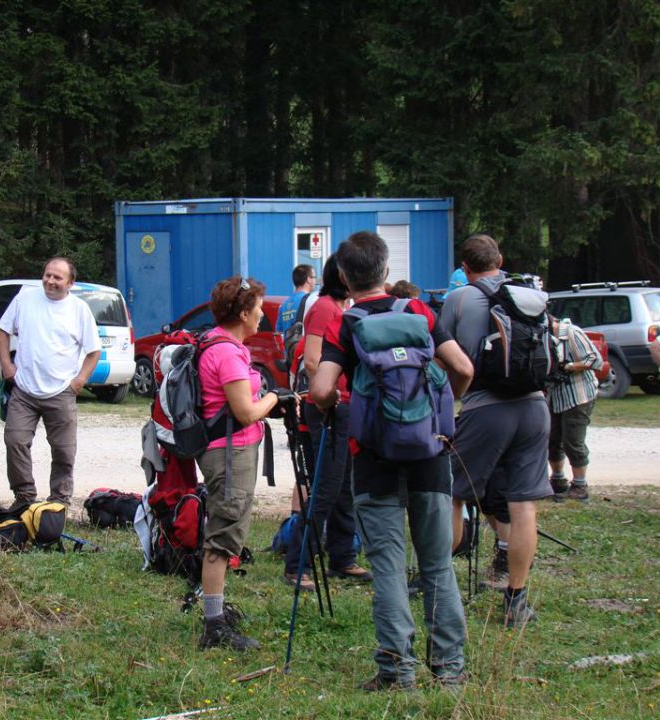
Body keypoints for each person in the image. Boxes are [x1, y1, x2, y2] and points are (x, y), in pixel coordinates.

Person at [311, 232, 473, 691]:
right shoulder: (420, 313)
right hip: (430, 453)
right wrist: (440, 410)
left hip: (375, 459)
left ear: (343, 276)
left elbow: (322, 390)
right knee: (437, 564)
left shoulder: (347, 323)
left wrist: (336, 404)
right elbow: (462, 369)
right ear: (385, 270)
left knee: (386, 564)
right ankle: (449, 671)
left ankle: (396, 671)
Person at [439, 233, 552, 629]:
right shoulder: (529, 292)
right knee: (523, 504)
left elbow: (446, 353)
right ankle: (516, 598)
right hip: (535, 406)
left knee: (452, 492)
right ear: (500, 259)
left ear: (464, 268)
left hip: (485, 406)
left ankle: (436, 581)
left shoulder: (460, 297)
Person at [195, 276, 295, 651]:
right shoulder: (227, 352)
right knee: (223, 535)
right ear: (242, 312)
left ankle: (215, 613)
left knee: (227, 529)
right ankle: (213, 625)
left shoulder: (217, 341)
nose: (261, 317)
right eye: (257, 309)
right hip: (229, 451)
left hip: (227, 448)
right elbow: (246, 410)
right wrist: (275, 398)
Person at [283, 254, 370, 591]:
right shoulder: (324, 308)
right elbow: (312, 360)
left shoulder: (339, 308)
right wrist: (329, 397)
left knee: (344, 487)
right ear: (344, 277)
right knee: (326, 487)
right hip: (330, 407)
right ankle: (297, 564)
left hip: (345, 406)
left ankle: (342, 556)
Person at [0, 257, 101, 505]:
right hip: (23, 389)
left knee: (64, 451)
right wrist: (6, 366)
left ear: (70, 283)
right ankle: (24, 496)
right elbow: (2, 331)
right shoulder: (25, 298)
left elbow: (93, 351)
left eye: (57, 277)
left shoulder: (79, 309)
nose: (50, 281)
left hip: (62, 391)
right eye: (47, 275)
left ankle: (59, 500)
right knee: (15, 441)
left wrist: (79, 381)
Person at [546, 316, 604, 501]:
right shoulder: (543, 337)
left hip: (579, 395)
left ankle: (580, 485)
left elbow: (595, 360)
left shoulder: (572, 332)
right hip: (555, 396)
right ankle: (558, 480)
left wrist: (569, 366)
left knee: (573, 440)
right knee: (552, 440)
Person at [275, 264, 317, 334]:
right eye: (314, 277)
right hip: (304, 343)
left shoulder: (284, 304)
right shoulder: (311, 300)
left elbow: (279, 330)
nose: (315, 281)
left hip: (288, 344)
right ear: (308, 279)